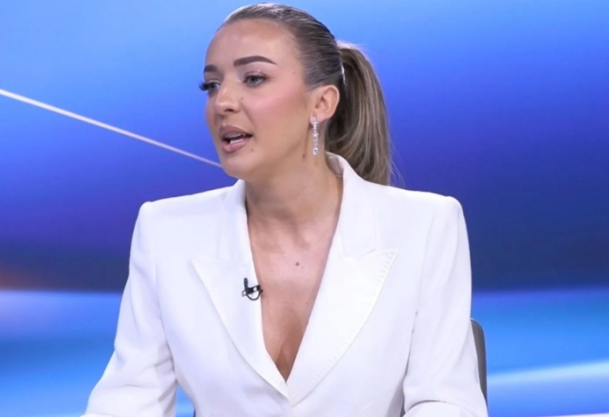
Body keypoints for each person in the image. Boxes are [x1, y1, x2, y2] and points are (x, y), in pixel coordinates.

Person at [82, 3, 488, 417]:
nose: (222, 102)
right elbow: (129, 399)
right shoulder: (166, 231)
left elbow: (446, 402)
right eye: (211, 85)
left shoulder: (425, 225)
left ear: (322, 103)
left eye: (254, 78)